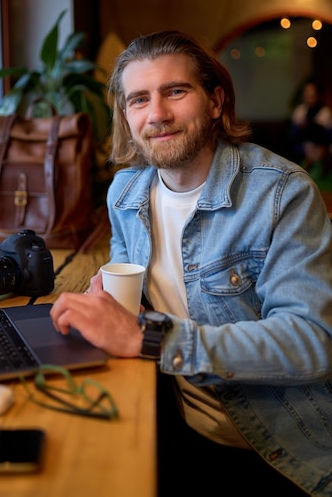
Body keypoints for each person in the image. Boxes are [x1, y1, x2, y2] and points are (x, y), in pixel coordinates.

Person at [50, 31, 332, 496]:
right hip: (174, 422)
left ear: (216, 101)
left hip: (283, 450)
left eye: (175, 92)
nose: (157, 114)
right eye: (138, 99)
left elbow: (313, 340)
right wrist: (105, 298)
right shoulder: (124, 194)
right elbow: (131, 286)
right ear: (126, 115)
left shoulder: (283, 194)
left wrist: (151, 339)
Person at [289, 80, 332, 162]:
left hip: (320, 154)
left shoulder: (326, 113)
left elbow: (329, 137)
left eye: (312, 96)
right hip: (300, 151)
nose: (309, 99)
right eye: (306, 96)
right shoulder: (299, 111)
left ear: (319, 95)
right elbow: (292, 135)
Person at [301, 122, 332, 193]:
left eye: (314, 148)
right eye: (307, 149)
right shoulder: (305, 163)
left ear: (324, 147)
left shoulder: (328, 166)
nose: (310, 153)